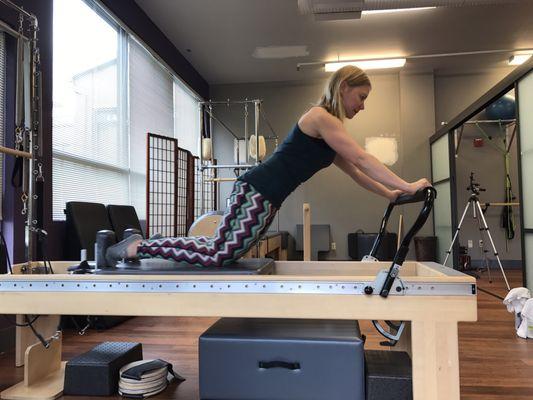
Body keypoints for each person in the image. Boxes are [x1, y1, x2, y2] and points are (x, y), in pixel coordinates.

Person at [106, 65, 431, 268]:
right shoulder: (321, 117)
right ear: (343, 87)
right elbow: (362, 157)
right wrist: (407, 186)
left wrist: (390, 193)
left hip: (266, 199)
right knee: (218, 253)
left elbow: (358, 172)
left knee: (222, 251)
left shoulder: (331, 134)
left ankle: (145, 242)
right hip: (255, 191)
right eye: (361, 96)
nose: (362, 105)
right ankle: (138, 245)